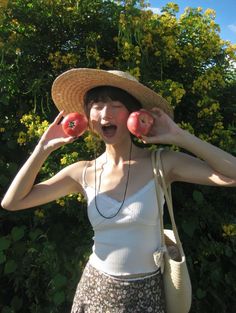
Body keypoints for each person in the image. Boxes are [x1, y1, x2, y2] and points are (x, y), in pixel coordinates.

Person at [1, 68, 236, 313]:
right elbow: (12, 202)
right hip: (95, 290)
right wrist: (43, 148)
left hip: (147, 293)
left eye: (115, 105)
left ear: (135, 114)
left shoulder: (162, 163)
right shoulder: (81, 172)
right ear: (88, 116)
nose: (105, 114)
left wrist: (179, 136)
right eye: (97, 105)